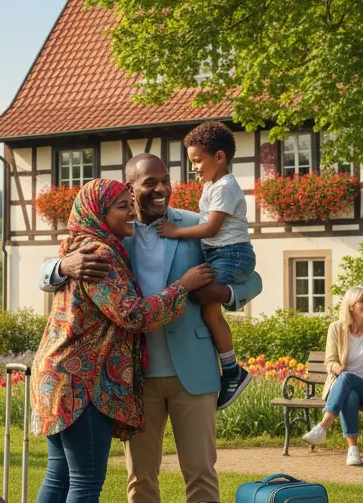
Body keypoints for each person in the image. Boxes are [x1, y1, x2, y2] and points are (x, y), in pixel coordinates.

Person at [40, 154, 263, 503]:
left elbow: (251, 275)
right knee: (140, 479)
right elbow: (54, 267)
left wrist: (226, 293)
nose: (162, 189)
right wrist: (61, 266)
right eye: (151, 183)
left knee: (201, 474)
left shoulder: (197, 226)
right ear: (129, 190)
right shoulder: (113, 232)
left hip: (193, 370)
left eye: (166, 181)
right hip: (134, 377)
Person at [31, 178, 214, 503]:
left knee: (59, 476)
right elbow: (132, 315)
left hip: (59, 375)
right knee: (85, 482)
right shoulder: (100, 254)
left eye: (131, 205)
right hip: (83, 382)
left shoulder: (79, 244)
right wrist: (182, 287)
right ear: (98, 212)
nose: (131, 212)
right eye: (122, 207)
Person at [157, 121, 254, 407]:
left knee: (209, 309)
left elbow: (210, 228)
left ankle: (233, 370)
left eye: (198, 161)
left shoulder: (225, 187)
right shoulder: (213, 185)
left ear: (219, 157)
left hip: (232, 254)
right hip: (220, 253)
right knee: (208, 308)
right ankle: (231, 368)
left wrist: (175, 232)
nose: (194, 168)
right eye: (192, 162)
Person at [301, 286, 363, 466]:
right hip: (343, 386)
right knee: (349, 395)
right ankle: (353, 450)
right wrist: (334, 366)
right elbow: (330, 360)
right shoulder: (336, 328)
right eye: (362, 301)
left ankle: (323, 426)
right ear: (351, 305)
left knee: (346, 378)